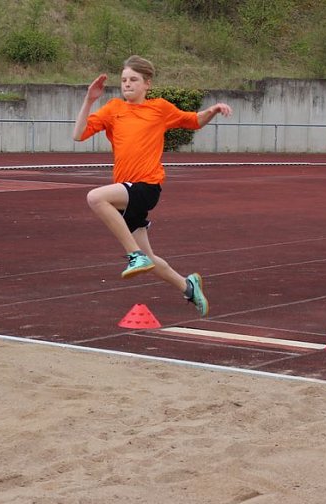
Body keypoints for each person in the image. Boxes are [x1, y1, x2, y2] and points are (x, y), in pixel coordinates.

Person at [73, 55, 232, 317]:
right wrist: (89, 100)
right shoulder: (113, 109)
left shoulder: (159, 108)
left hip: (146, 186)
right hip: (126, 191)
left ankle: (134, 255)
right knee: (152, 261)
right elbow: (78, 135)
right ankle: (188, 286)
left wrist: (212, 110)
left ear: (147, 84)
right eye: (124, 80)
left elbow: (193, 120)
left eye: (133, 80)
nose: (127, 84)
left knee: (95, 198)